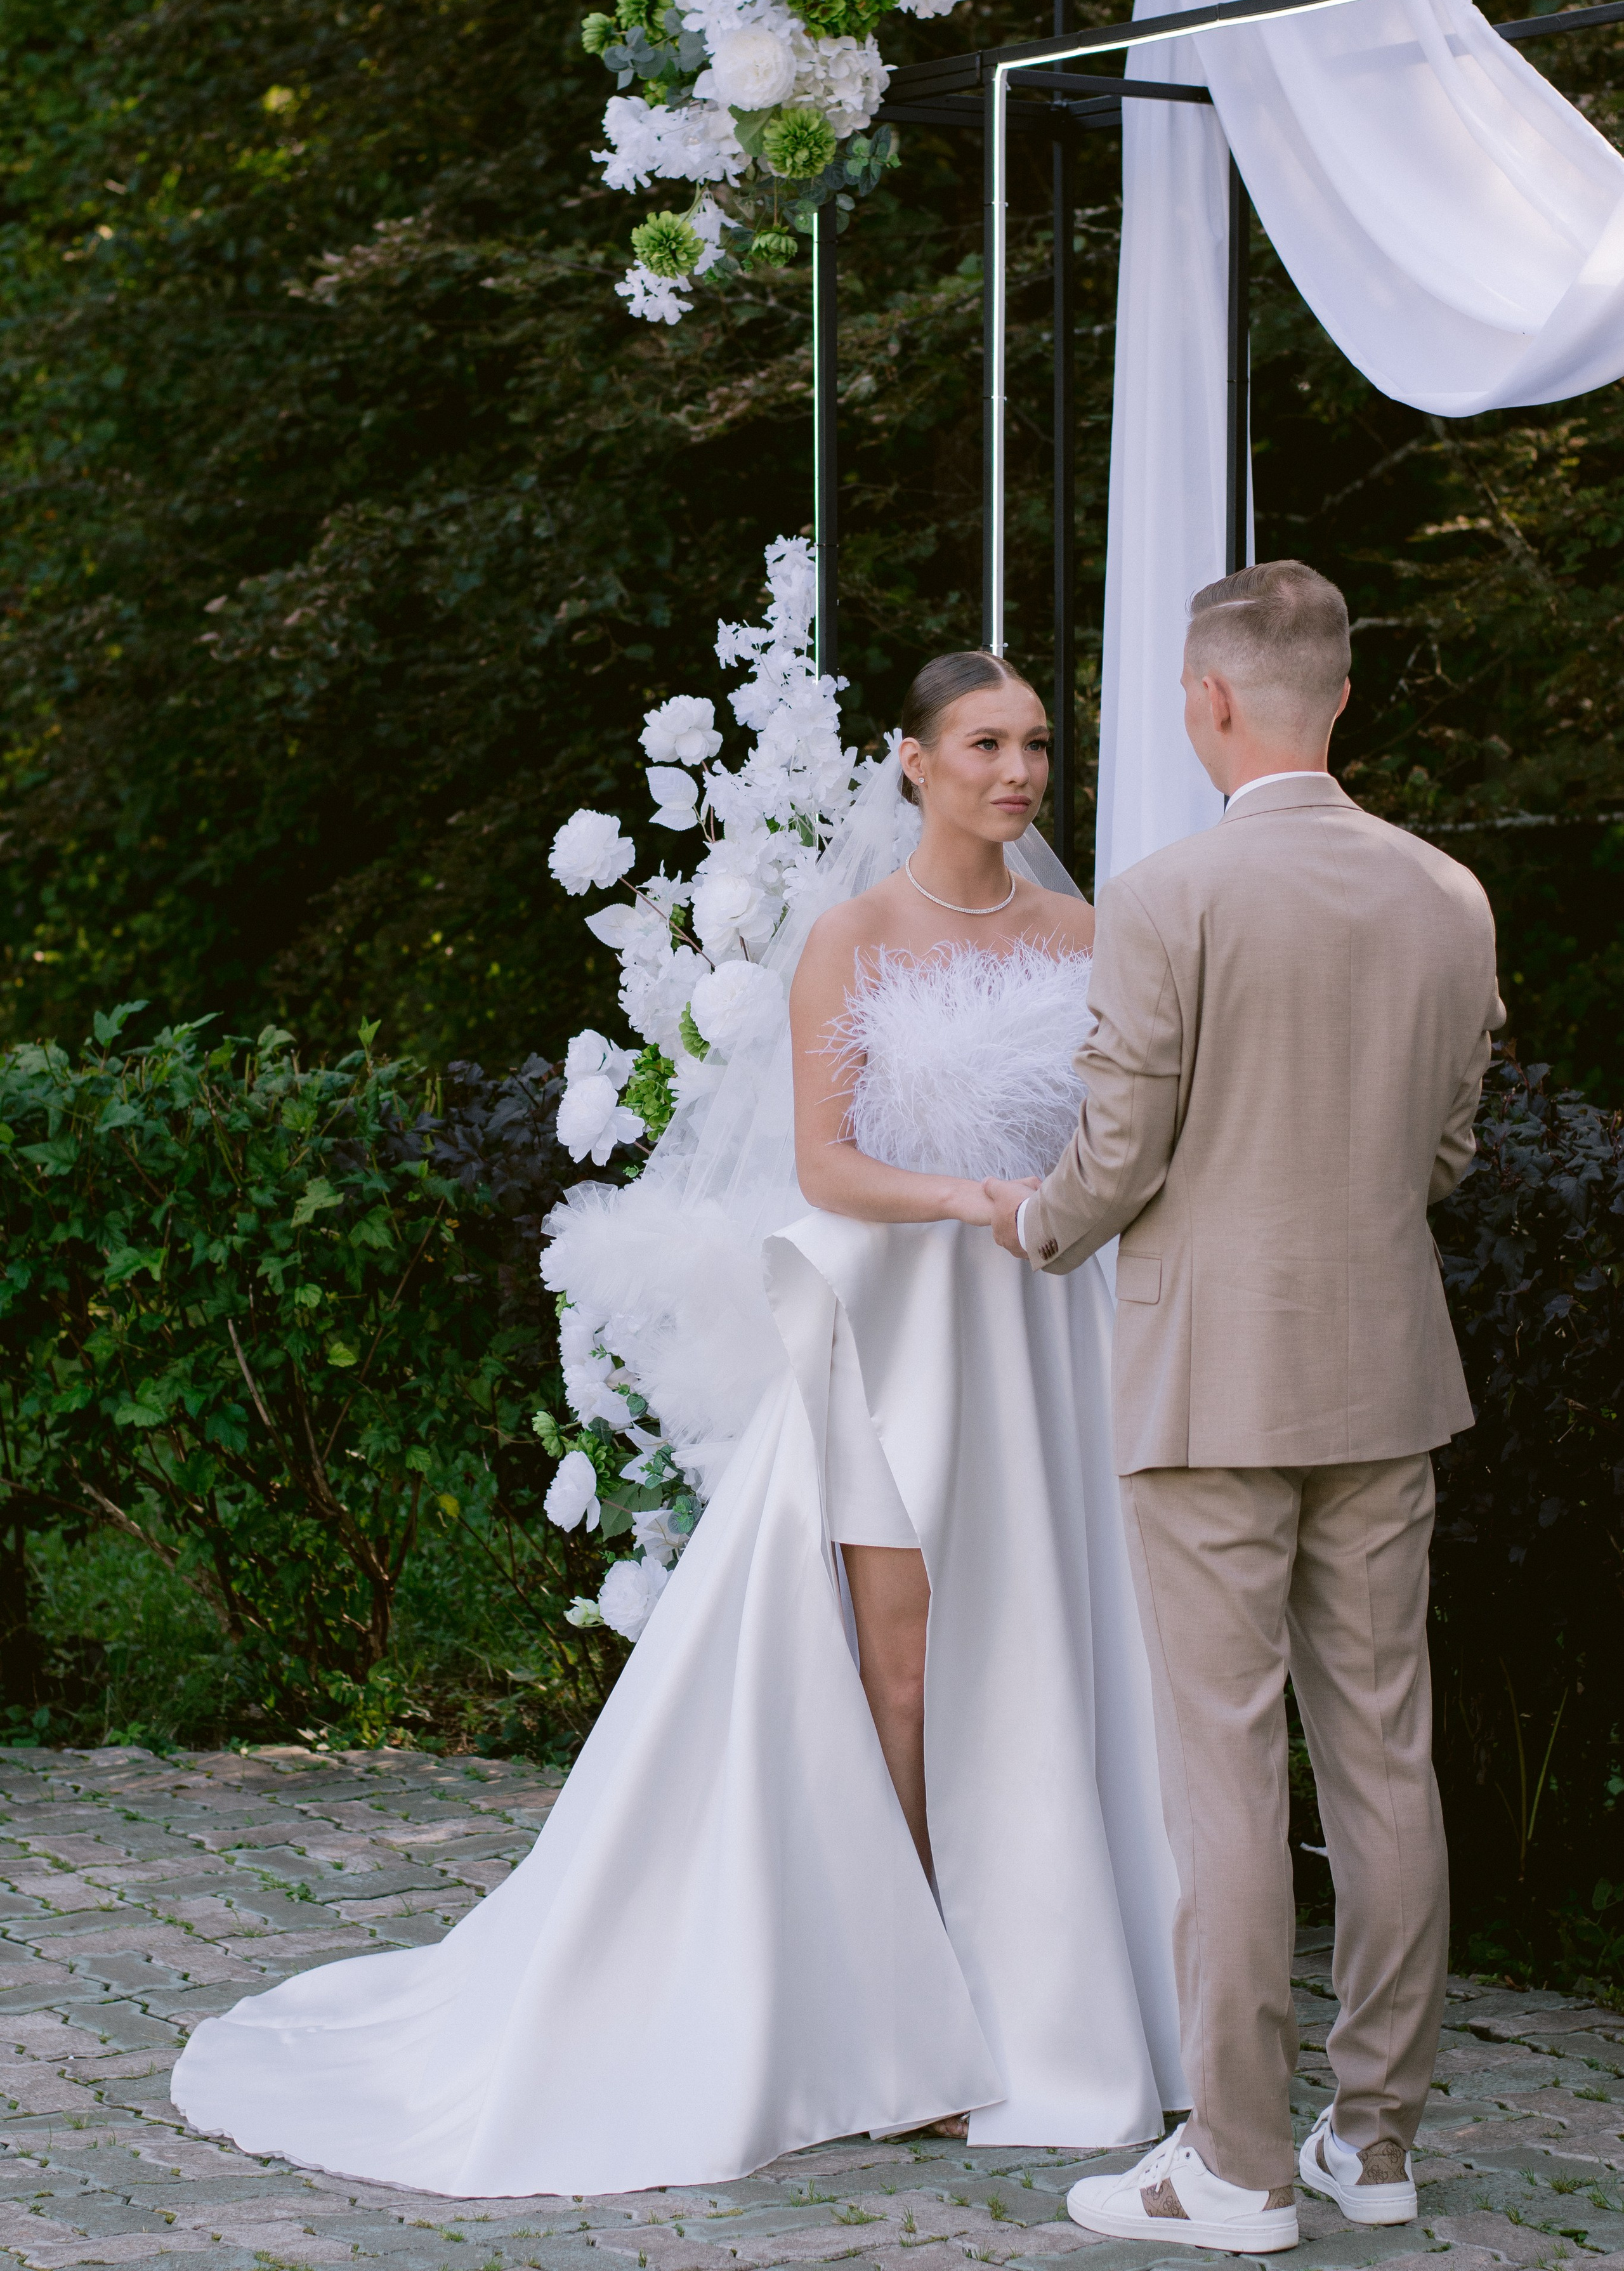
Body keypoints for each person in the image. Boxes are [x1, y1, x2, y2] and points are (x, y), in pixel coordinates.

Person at [170, 651, 1184, 2197]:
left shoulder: (1088, 937)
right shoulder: (850, 938)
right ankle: (914, 2007)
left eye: (1035, 743)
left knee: (1047, 1633)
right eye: (983, 741)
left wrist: (1056, 1217)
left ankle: (1058, 1972)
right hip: (900, 1327)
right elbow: (826, 1165)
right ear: (907, 761)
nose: (1017, 770)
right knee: (897, 1665)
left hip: (1046, 1329)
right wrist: (970, 1197)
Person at [985, 561, 1503, 2257]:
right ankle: (1382, 2141)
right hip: (1384, 1376)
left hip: (1211, 1388)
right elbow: (1442, 1154)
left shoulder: (1168, 896)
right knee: (1387, 1762)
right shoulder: (1450, 896)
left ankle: (1234, 2167)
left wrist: (1031, 1224)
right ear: (1337, 696)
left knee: (1224, 1775)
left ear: (1207, 702)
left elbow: (1113, 1157)